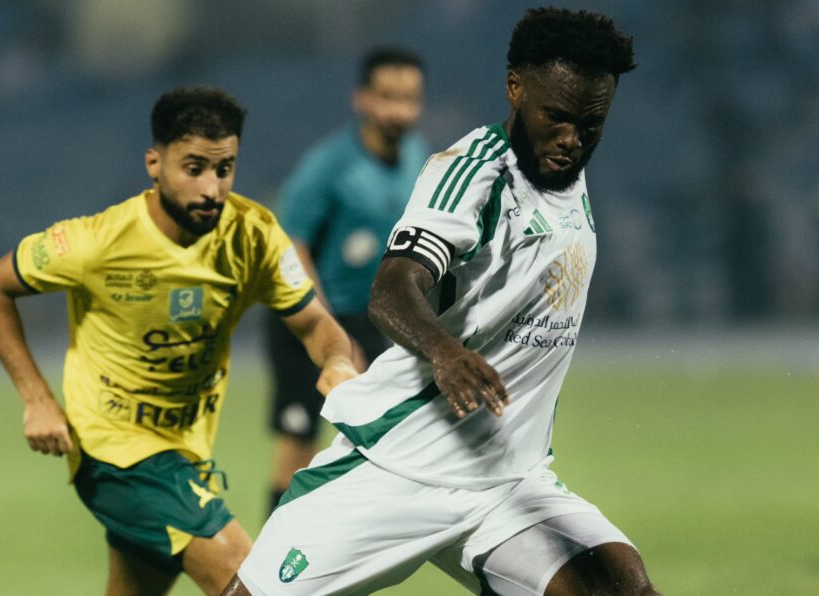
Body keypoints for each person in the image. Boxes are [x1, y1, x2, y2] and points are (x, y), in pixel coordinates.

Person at [224, 8, 661, 596]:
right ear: (515, 88)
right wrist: (443, 351)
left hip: (508, 485)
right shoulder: (475, 174)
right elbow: (392, 287)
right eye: (556, 117)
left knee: (623, 587)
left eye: (590, 125)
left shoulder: (565, 173)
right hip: (399, 468)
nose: (571, 139)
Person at [0, 86, 358, 595]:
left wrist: (337, 360)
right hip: (113, 453)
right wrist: (36, 398)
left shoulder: (253, 235)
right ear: (154, 164)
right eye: (193, 168)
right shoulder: (97, 241)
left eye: (224, 169)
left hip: (183, 455)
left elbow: (314, 324)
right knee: (257, 584)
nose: (211, 188)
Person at [263, 47, 428, 513]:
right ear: (362, 99)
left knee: (386, 445)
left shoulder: (417, 155)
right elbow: (291, 247)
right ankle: (272, 555)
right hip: (309, 319)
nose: (399, 110)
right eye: (388, 97)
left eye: (410, 99)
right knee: (298, 447)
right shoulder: (328, 166)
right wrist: (328, 332)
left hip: (372, 321)